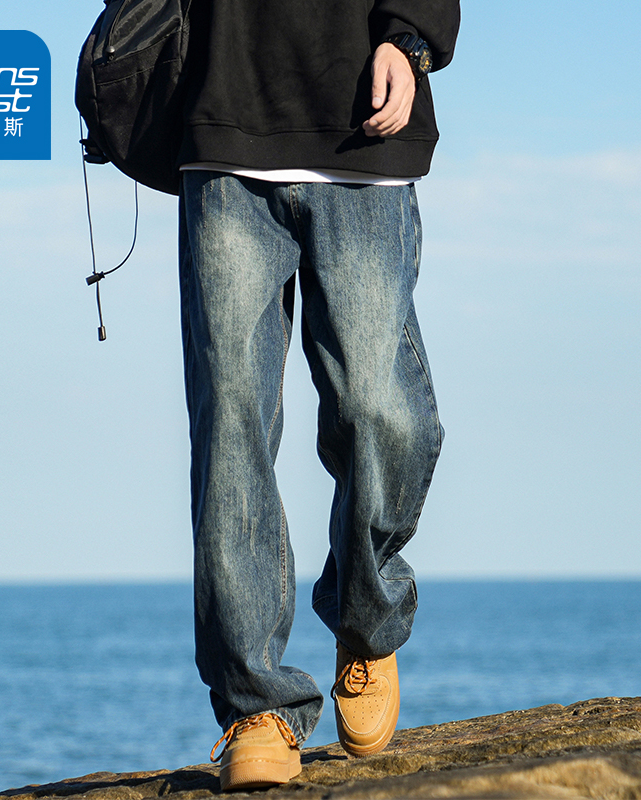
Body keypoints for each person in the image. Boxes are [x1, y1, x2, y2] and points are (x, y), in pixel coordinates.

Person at [175, 0, 460, 791]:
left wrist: (409, 37)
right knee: (231, 426)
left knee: (380, 409)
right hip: (223, 123)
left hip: (361, 129)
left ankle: (367, 616)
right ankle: (255, 706)